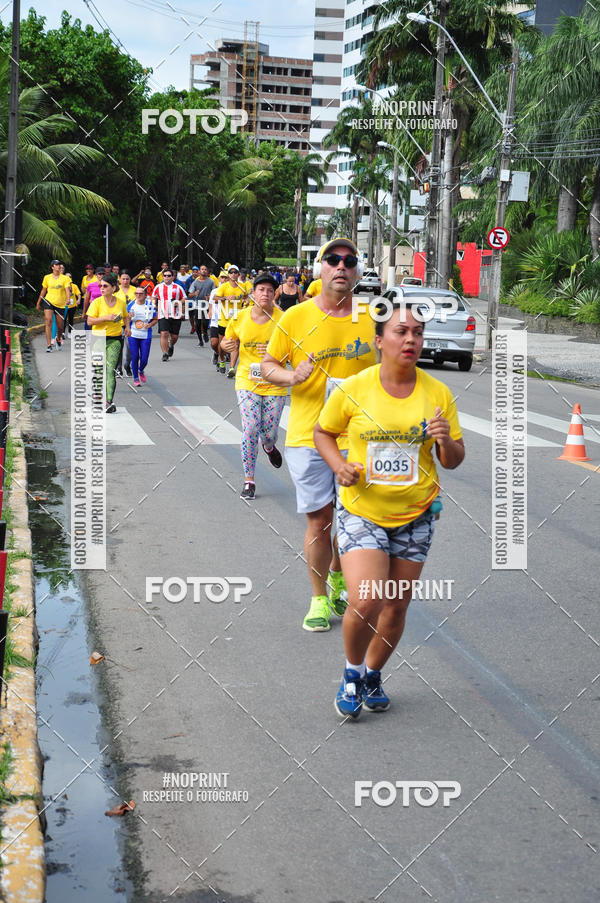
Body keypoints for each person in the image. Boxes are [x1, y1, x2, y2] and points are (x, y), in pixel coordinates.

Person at [314, 300, 465, 718]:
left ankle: (374, 674)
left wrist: (444, 441)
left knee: (396, 605)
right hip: (362, 510)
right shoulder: (354, 388)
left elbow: (454, 459)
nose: (411, 339)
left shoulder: (438, 394)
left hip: (415, 515)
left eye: (417, 332)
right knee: (368, 598)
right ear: (380, 341)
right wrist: (340, 466)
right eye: (401, 332)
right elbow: (323, 432)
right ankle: (351, 672)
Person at [261, 238, 376, 632]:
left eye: (349, 261)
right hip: (308, 436)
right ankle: (318, 598)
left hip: (358, 438)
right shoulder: (294, 318)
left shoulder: (370, 318)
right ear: (319, 269)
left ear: (357, 272)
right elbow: (267, 365)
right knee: (320, 520)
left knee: (353, 520)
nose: (341, 266)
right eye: (332, 260)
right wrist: (292, 376)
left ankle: (341, 575)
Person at [222, 273, 287, 499]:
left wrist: (275, 354)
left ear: (274, 294)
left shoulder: (284, 320)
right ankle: (249, 480)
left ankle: (269, 447)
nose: (265, 294)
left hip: (275, 383)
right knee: (250, 428)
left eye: (270, 291)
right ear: (253, 293)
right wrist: (226, 345)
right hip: (247, 381)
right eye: (261, 290)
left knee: (268, 433)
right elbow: (226, 341)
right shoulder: (240, 317)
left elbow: (295, 351)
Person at [85, 272, 129, 413]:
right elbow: (90, 321)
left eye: (105, 286)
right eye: (101, 286)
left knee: (110, 370)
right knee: (98, 370)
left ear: (114, 287)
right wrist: (106, 318)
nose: (102, 288)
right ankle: (98, 397)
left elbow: (126, 316)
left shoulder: (121, 302)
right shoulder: (96, 302)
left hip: (115, 339)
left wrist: (127, 327)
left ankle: (108, 401)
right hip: (98, 339)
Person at [212, 264, 246, 376]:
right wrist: (225, 298)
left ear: (238, 274)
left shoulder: (242, 286)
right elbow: (215, 298)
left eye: (235, 272)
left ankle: (231, 368)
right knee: (222, 345)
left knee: (236, 344)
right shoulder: (224, 286)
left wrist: (246, 301)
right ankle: (222, 360)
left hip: (237, 321)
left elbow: (247, 296)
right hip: (224, 320)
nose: (233, 274)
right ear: (228, 274)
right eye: (231, 272)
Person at [36, 259, 71, 352]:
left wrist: (68, 299)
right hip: (49, 301)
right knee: (48, 321)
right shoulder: (47, 277)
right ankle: (49, 345)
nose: (59, 266)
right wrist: (39, 302)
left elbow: (67, 290)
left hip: (61, 304)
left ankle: (58, 339)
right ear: (52, 267)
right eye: (56, 264)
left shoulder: (65, 278)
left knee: (60, 327)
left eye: (59, 264)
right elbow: (43, 290)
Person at [152, 268, 186, 361]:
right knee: (164, 333)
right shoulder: (158, 287)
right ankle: (165, 353)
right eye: (165, 275)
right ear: (162, 277)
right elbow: (153, 297)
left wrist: (178, 302)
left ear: (173, 277)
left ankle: (171, 345)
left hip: (176, 314)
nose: (167, 277)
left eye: (169, 276)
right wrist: (153, 305)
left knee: (174, 336)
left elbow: (184, 298)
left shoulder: (178, 287)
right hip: (163, 313)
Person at [128, 286, 158, 386]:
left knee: (144, 358)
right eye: (136, 293)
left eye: (141, 293)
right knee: (135, 356)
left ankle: (141, 370)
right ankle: (136, 378)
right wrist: (128, 320)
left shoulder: (150, 306)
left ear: (145, 295)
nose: (138, 295)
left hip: (145, 334)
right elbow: (125, 319)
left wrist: (149, 324)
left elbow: (155, 319)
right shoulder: (130, 305)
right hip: (133, 334)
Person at [115, 271, 136, 376]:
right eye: (123, 279)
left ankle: (127, 364)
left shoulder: (135, 290)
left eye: (127, 279)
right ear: (120, 280)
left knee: (130, 346)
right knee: (119, 345)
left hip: (132, 322)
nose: (125, 281)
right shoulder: (115, 291)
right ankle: (119, 368)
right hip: (119, 321)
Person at [188, 265, 214, 346]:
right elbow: (189, 294)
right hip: (197, 305)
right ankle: (200, 340)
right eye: (202, 269)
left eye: (205, 269)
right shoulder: (195, 282)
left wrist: (210, 296)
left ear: (207, 271)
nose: (204, 271)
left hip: (207, 304)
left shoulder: (211, 281)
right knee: (198, 324)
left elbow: (215, 293)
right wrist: (194, 293)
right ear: (199, 271)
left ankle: (205, 333)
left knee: (206, 323)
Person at [83, 266, 105, 330]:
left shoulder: (108, 285)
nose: (102, 276)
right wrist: (84, 312)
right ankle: (88, 339)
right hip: (92, 307)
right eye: (100, 274)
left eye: (103, 274)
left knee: (100, 327)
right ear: (96, 275)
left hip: (104, 308)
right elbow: (86, 299)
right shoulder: (91, 285)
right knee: (88, 326)